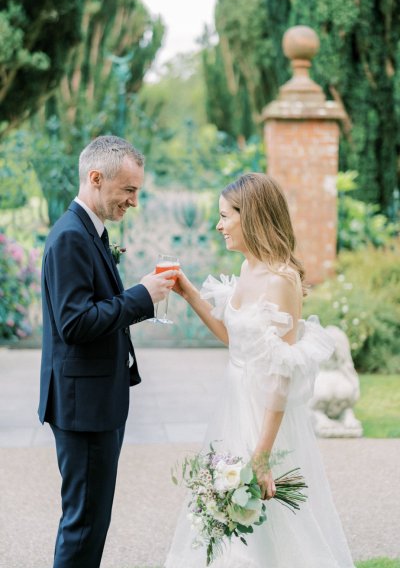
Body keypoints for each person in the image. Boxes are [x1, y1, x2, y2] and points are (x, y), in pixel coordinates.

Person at [166, 173, 355, 568]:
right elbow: (234, 341)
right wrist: (189, 293)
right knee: (229, 516)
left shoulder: (280, 280)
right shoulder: (247, 267)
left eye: (224, 216)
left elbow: (281, 375)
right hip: (233, 403)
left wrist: (263, 454)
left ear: (249, 216)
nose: (218, 226)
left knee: (271, 517)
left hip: (265, 413)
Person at [38, 135, 177, 568]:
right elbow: (75, 323)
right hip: (84, 410)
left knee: (93, 520)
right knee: (83, 524)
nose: (133, 201)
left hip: (96, 402)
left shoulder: (90, 233)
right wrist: (141, 296)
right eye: (128, 190)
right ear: (96, 178)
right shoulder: (70, 238)